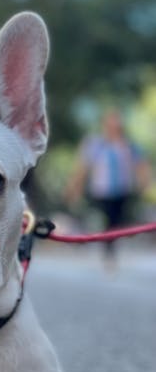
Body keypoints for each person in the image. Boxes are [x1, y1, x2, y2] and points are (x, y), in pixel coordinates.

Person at [67, 110, 151, 262]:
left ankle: (111, 247)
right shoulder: (96, 144)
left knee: (116, 220)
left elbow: (141, 165)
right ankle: (106, 247)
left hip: (121, 190)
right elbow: (83, 168)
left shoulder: (128, 145)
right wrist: (75, 187)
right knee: (105, 218)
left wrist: (145, 184)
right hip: (101, 190)